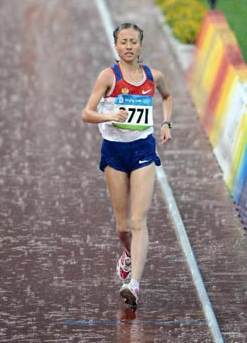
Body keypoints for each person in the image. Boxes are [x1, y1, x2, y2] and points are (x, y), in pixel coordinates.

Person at [82, 23, 173, 306]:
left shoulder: (153, 76)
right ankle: (129, 252)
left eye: (134, 41)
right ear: (116, 46)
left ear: (141, 45)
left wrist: (166, 122)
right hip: (115, 153)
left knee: (138, 220)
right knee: (123, 228)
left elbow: (167, 97)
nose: (129, 46)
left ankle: (133, 284)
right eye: (124, 42)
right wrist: (110, 116)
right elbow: (86, 113)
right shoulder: (108, 77)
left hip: (143, 148)